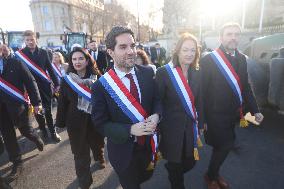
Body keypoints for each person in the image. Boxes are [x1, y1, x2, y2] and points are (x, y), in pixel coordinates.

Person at [91, 26, 162, 189]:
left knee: (146, 175)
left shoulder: (147, 73)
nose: (131, 51)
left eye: (133, 45)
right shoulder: (101, 86)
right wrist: (130, 130)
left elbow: (157, 100)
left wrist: (157, 115)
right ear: (110, 52)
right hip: (123, 153)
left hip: (150, 145)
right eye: (123, 47)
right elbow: (100, 124)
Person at [201, 23, 264, 189]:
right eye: (229, 34)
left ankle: (213, 174)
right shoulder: (209, 59)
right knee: (225, 145)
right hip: (214, 115)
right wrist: (203, 118)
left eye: (236, 34)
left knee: (221, 146)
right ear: (221, 38)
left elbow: (246, 86)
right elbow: (201, 92)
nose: (233, 37)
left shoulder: (242, 58)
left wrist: (255, 110)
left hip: (234, 114)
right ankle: (210, 176)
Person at [155, 33, 202, 189]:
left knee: (190, 161)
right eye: (185, 50)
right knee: (176, 165)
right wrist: (157, 116)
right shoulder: (164, 72)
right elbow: (158, 100)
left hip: (190, 126)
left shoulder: (197, 72)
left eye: (192, 50)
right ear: (177, 51)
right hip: (171, 128)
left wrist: (202, 121)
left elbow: (199, 100)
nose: (189, 54)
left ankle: (173, 170)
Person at [56, 47, 105, 189]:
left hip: (95, 121)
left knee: (97, 144)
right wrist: (59, 122)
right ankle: (85, 183)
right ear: (71, 61)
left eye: (81, 58)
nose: (77, 61)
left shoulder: (97, 77)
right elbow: (62, 103)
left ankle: (99, 156)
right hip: (75, 123)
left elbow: (104, 101)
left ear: (87, 60)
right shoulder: (67, 80)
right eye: (74, 59)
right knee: (79, 154)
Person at [0, 44, 44, 181]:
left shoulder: (15, 62)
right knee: (7, 134)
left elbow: (30, 82)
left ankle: (36, 138)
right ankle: (17, 161)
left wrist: (37, 103)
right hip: (1, 109)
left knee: (25, 130)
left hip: (17, 105)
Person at [15, 30, 61, 142]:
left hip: (45, 86)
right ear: (24, 41)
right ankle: (43, 130)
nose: (30, 42)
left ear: (36, 39)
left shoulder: (44, 52)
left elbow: (50, 69)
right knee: (37, 111)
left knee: (48, 111)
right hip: (30, 88)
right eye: (27, 40)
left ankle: (53, 132)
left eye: (32, 39)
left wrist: (57, 84)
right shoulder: (20, 55)